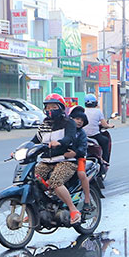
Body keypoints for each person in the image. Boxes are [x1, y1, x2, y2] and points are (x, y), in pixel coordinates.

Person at [32, 93, 81, 225]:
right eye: (47, 108)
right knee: (32, 178)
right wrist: (20, 150)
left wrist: (59, 142)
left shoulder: (69, 122)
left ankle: (73, 210)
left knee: (55, 181)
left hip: (65, 161)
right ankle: (35, 210)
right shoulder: (44, 124)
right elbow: (35, 140)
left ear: (60, 108)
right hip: (47, 161)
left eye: (53, 107)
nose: (50, 110)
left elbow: (69, 138)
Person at [67, 106, 92, 210]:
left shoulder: (81, 134)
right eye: (77, 119)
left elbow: (83, 149)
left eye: (81, 120)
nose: (79, 122)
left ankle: (87, 199)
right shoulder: (66, 130)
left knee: (81, 174)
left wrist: (75, 153)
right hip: (64, 158)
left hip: (79, 159)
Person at [82, 93, 113, 163]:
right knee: (105, 141)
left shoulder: (82, 111)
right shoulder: (98, 111)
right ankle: (105, 161)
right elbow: (104, 125)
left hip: (82, 135)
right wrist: (110, 126)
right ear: (95, 103)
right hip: (94, 135)